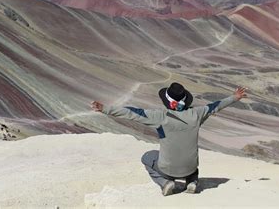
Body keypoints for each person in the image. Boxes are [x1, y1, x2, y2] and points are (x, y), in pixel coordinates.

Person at [91, 83, 247, 196]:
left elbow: (131, 113)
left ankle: (165, 183)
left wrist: (105, 109)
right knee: (192, 161)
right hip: (190, 168)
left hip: (168, 169)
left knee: (147, 157)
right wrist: (235, 97)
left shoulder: (159, 116)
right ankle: (192, 182)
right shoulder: (197, 114)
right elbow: (216, 106)